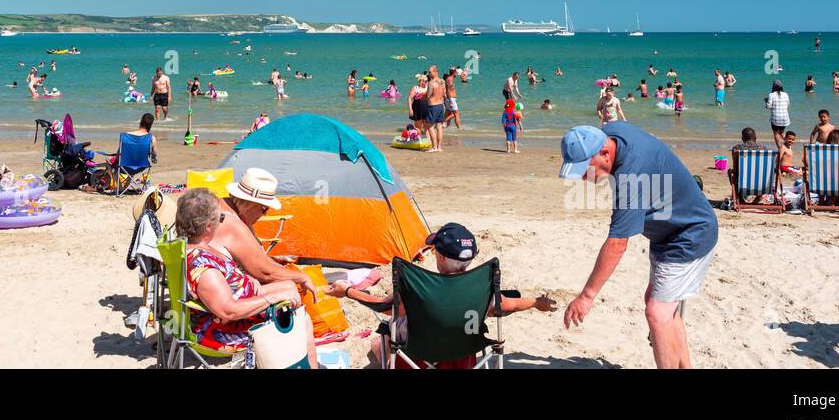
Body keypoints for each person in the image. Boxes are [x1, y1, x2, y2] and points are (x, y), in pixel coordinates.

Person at [560, 122, 718, 369]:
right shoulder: (612, 131)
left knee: (657, 313)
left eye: (584, 169)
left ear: (605, 153)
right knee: (662, 307)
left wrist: (586, 296)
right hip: (668, 236)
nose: (582, 177)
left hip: (690, 234)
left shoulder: (630, 178)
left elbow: (617, 244)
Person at [328, 223, 556, 368]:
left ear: (442, 258)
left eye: (435, 250)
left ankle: (381, 347)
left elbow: (383, 306)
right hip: (463, 356)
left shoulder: (420, 290)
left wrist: (347, 291)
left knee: (386, 335)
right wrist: (537, 302)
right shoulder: (481, 291)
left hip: (416, 357)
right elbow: (510, 305)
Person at [174, 188, 317, 365]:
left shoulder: (197, 246)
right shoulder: (202, 265)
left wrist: (244, 278)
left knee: (288, 287)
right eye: (220, 218)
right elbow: (228, 310)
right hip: (220, 330)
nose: (222, 223)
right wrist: (273, 297)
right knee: (301, 321)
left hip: (233, 307)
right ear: (208, 226)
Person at [206, 167, 318, 298]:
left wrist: (274, 262)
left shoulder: (222, 206)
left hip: (206, 291)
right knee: (290, 289)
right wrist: (303, 277)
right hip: (220, 301)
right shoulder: (232, 223)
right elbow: (264, 272)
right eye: (264, 209)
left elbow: (257, 259)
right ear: (251, 203)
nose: (264, 214)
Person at [424, 65, 446, 153]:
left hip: (433, 106)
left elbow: (428, 95)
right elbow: (444, 94)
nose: (429, 73)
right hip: (441, 105)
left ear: (435, 72)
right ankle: (439, 147)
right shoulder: (442, 81)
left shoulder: (431, 83)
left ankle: (434, 147)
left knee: (430, 126)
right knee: (439, 126)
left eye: (430, 72)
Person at [444, 65, 461, 132]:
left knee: (448, 113)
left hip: (450, 99)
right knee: (456, 114)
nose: (456, 73)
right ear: (453, 72)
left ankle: (446, 128)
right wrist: (450, 100)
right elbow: (448, 90)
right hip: (451, 99)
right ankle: (459, 129)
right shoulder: (450, 79)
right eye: (456, 72)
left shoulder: (449, 79)